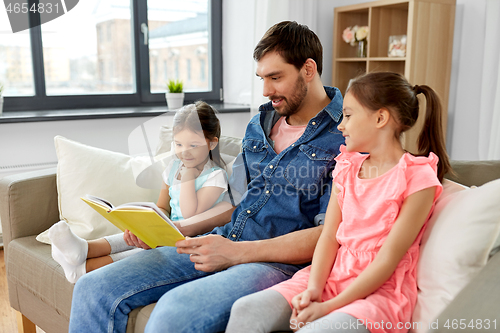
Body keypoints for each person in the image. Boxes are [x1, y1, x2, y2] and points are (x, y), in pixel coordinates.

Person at [69, 21, 345, 333]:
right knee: (93, 287)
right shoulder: (260, 123)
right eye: (262, 79)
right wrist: (172, 229)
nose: (266, 91)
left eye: (275, 77)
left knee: (176, 312)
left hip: (275, 264)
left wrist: (237, 253)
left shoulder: (345, 135)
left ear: (308, 69)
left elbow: (329, 235)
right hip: (222, 238)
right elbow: (233, 203)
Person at [226, 72, 451, 333]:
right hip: (330, 274)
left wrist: (328, 307)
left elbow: (388, 259)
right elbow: (329, 237)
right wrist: (314, 290)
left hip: (378, 293)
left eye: (348, 115)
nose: (340, 125)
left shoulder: (417, 176)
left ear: (380, 118)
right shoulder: (346, 166)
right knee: (247, 311)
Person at [49, 101, 230, 283]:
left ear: (211, 144)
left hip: (190, 240)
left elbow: (191, 212)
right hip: (168, 230)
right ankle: (84, 250)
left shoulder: (215, 177)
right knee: (131, 237)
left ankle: (81, 269)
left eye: (193, 145)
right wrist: (146, 222)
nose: (184, 152)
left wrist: (188, 177)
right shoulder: (173, 168)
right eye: (179, 144)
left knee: (140, 253)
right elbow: (163, 206)